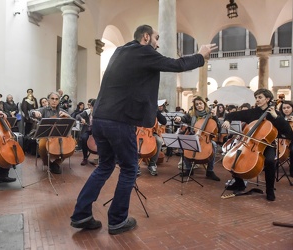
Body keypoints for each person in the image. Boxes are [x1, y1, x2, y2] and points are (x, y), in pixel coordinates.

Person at [70, 24, 217, 234]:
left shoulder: (120, 52)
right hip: (119, 121)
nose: (158, 44)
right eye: (156, 38)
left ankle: (81, 214)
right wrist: (200, 56)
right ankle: (117, 220)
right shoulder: (144, 51)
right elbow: (176, 64)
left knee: (105, 166)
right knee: (130, 169)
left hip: (100, 119)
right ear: (146, 37)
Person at [221, 89, 293, 201]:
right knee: (234, 157)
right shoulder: (253, 112)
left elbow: (287, 131)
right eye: (256, 97)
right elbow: (231, 114)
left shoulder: (275, 113)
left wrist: (276, 117)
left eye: (260, 97)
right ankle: (239, 183)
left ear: (268, 99)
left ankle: (269, 189)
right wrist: (227, 120)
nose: (257, 100)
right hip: (250, 144)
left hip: (267, 144)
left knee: (270, 161)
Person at [173, 96, 221, 181]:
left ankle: (210, 171)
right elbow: (184, 118)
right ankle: (188, 169)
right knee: (182, 144)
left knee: (213, 145)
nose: (199, 105)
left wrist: (215, 117)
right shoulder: (192, 114)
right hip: (193, 135)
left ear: (204, 104)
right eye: (196, 104)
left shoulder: (210, 114)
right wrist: (179, 118)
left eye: (200, 103)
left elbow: (219, 128)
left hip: (205, 138)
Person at [29, 92, 72, 174]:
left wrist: (68, 117)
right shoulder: (44, 110)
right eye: (52, 99)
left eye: (56, 99)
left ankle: (56, 163)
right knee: (41, 145)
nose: (54, 101)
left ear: (59, 101)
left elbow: (73, 121)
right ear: (48, 100)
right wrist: (34, 113)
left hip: (59, 136)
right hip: (46, 136)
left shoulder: (62, 111)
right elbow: (30, 112)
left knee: (70, 146)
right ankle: (48, 163)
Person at [278, 100, 293, 178]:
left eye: (288, 107)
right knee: (272, 148)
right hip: (281, 140)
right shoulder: (280, 118)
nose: (286, 109)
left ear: (292, 108)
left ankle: (292, 169)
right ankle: (273, 165)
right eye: (284, 108)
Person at [146, 100, 167, 176]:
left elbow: (164, 122)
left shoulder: (154, 111)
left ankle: (152, 164)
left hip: (150, 133)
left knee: (159, 140)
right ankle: (135, 164)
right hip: (139, 133)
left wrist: (156, 111)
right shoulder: (138, 110)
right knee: (134, 141)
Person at [76, 99, 95, 166]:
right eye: (93, 107)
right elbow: (77, 116)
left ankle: (101, 158)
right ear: (91, 107)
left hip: (96, 131)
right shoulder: (87, 112)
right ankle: (85, 158)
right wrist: (82, 119)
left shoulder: (99, 113)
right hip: (87, 130)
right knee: (84, 138)